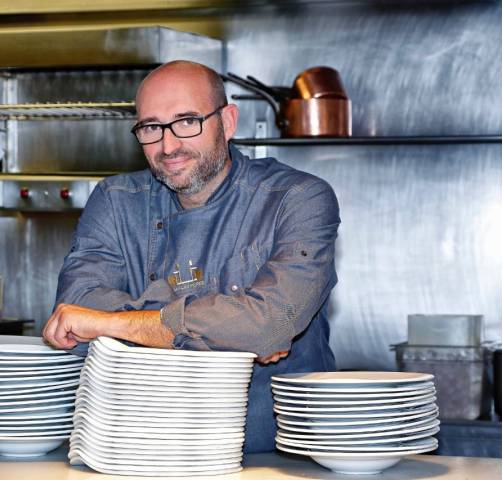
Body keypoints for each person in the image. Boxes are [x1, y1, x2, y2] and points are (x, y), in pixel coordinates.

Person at [43, 60, 340, 452]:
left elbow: (268, 326)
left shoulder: (298, 198)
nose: (168, 146)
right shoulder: (116, 200)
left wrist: (113, 323)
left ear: (228, 122)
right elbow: (78, 309)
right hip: (148, 448)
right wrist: (236, 322)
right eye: (151, 128)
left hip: (279, 453)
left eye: (187, 122)